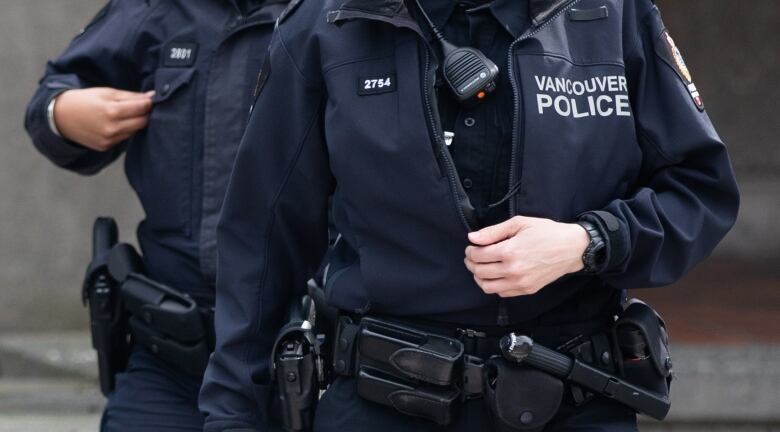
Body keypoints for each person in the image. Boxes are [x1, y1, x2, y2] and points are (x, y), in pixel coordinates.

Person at [199, 0, 740, 430]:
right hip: (383, 398)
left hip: (572, 398)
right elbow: (262, 236)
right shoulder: (327, 22)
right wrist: (233, 415)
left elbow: (698, 188)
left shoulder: (611, 14)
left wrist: (587, 241)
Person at [24, 0, 288, 430]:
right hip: (173, 354)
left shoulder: (340, 14)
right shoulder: (156, 9)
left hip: (303, 353)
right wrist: (64, 113)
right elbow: (49, 100)